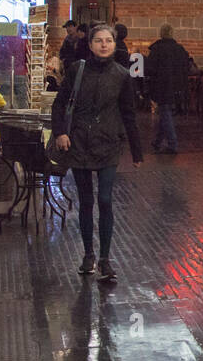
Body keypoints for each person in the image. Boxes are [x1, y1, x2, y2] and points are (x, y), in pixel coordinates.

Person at [53, 23, 143, 283]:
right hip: (79, 142)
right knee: (86, 201)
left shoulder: (122, 75)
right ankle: (88, 254)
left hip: (108, 142)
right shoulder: (76, 70)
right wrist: (60, 132)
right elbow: (60, 103)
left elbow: (128, 113)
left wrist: (137, 151)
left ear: (115, 45)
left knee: (105, 199)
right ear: (90, 44)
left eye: (109, 41)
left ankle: (105, 258)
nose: (104, 45)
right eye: (99, 40)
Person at [145, 22, 190, 154]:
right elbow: (186, 67)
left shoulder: (157, 49)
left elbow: (150, 69)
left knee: (165, 112)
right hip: (177, 86)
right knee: (165, 112)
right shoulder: (180, 49)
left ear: (161, 33)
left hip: (161, 85)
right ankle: (158, 141)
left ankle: (172, 144)